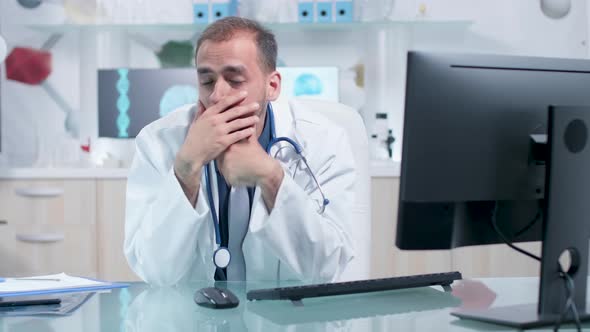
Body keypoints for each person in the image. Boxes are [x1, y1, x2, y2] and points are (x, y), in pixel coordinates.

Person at [124, 17, 357, 286]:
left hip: (289, 320)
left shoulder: (323, 140)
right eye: (208, 81)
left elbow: (327, 268)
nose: (216, 95)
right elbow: (153, 272)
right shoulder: (158, 141)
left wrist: (271, 178)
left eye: (234, 80)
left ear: (272, 86)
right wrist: (186, 169)